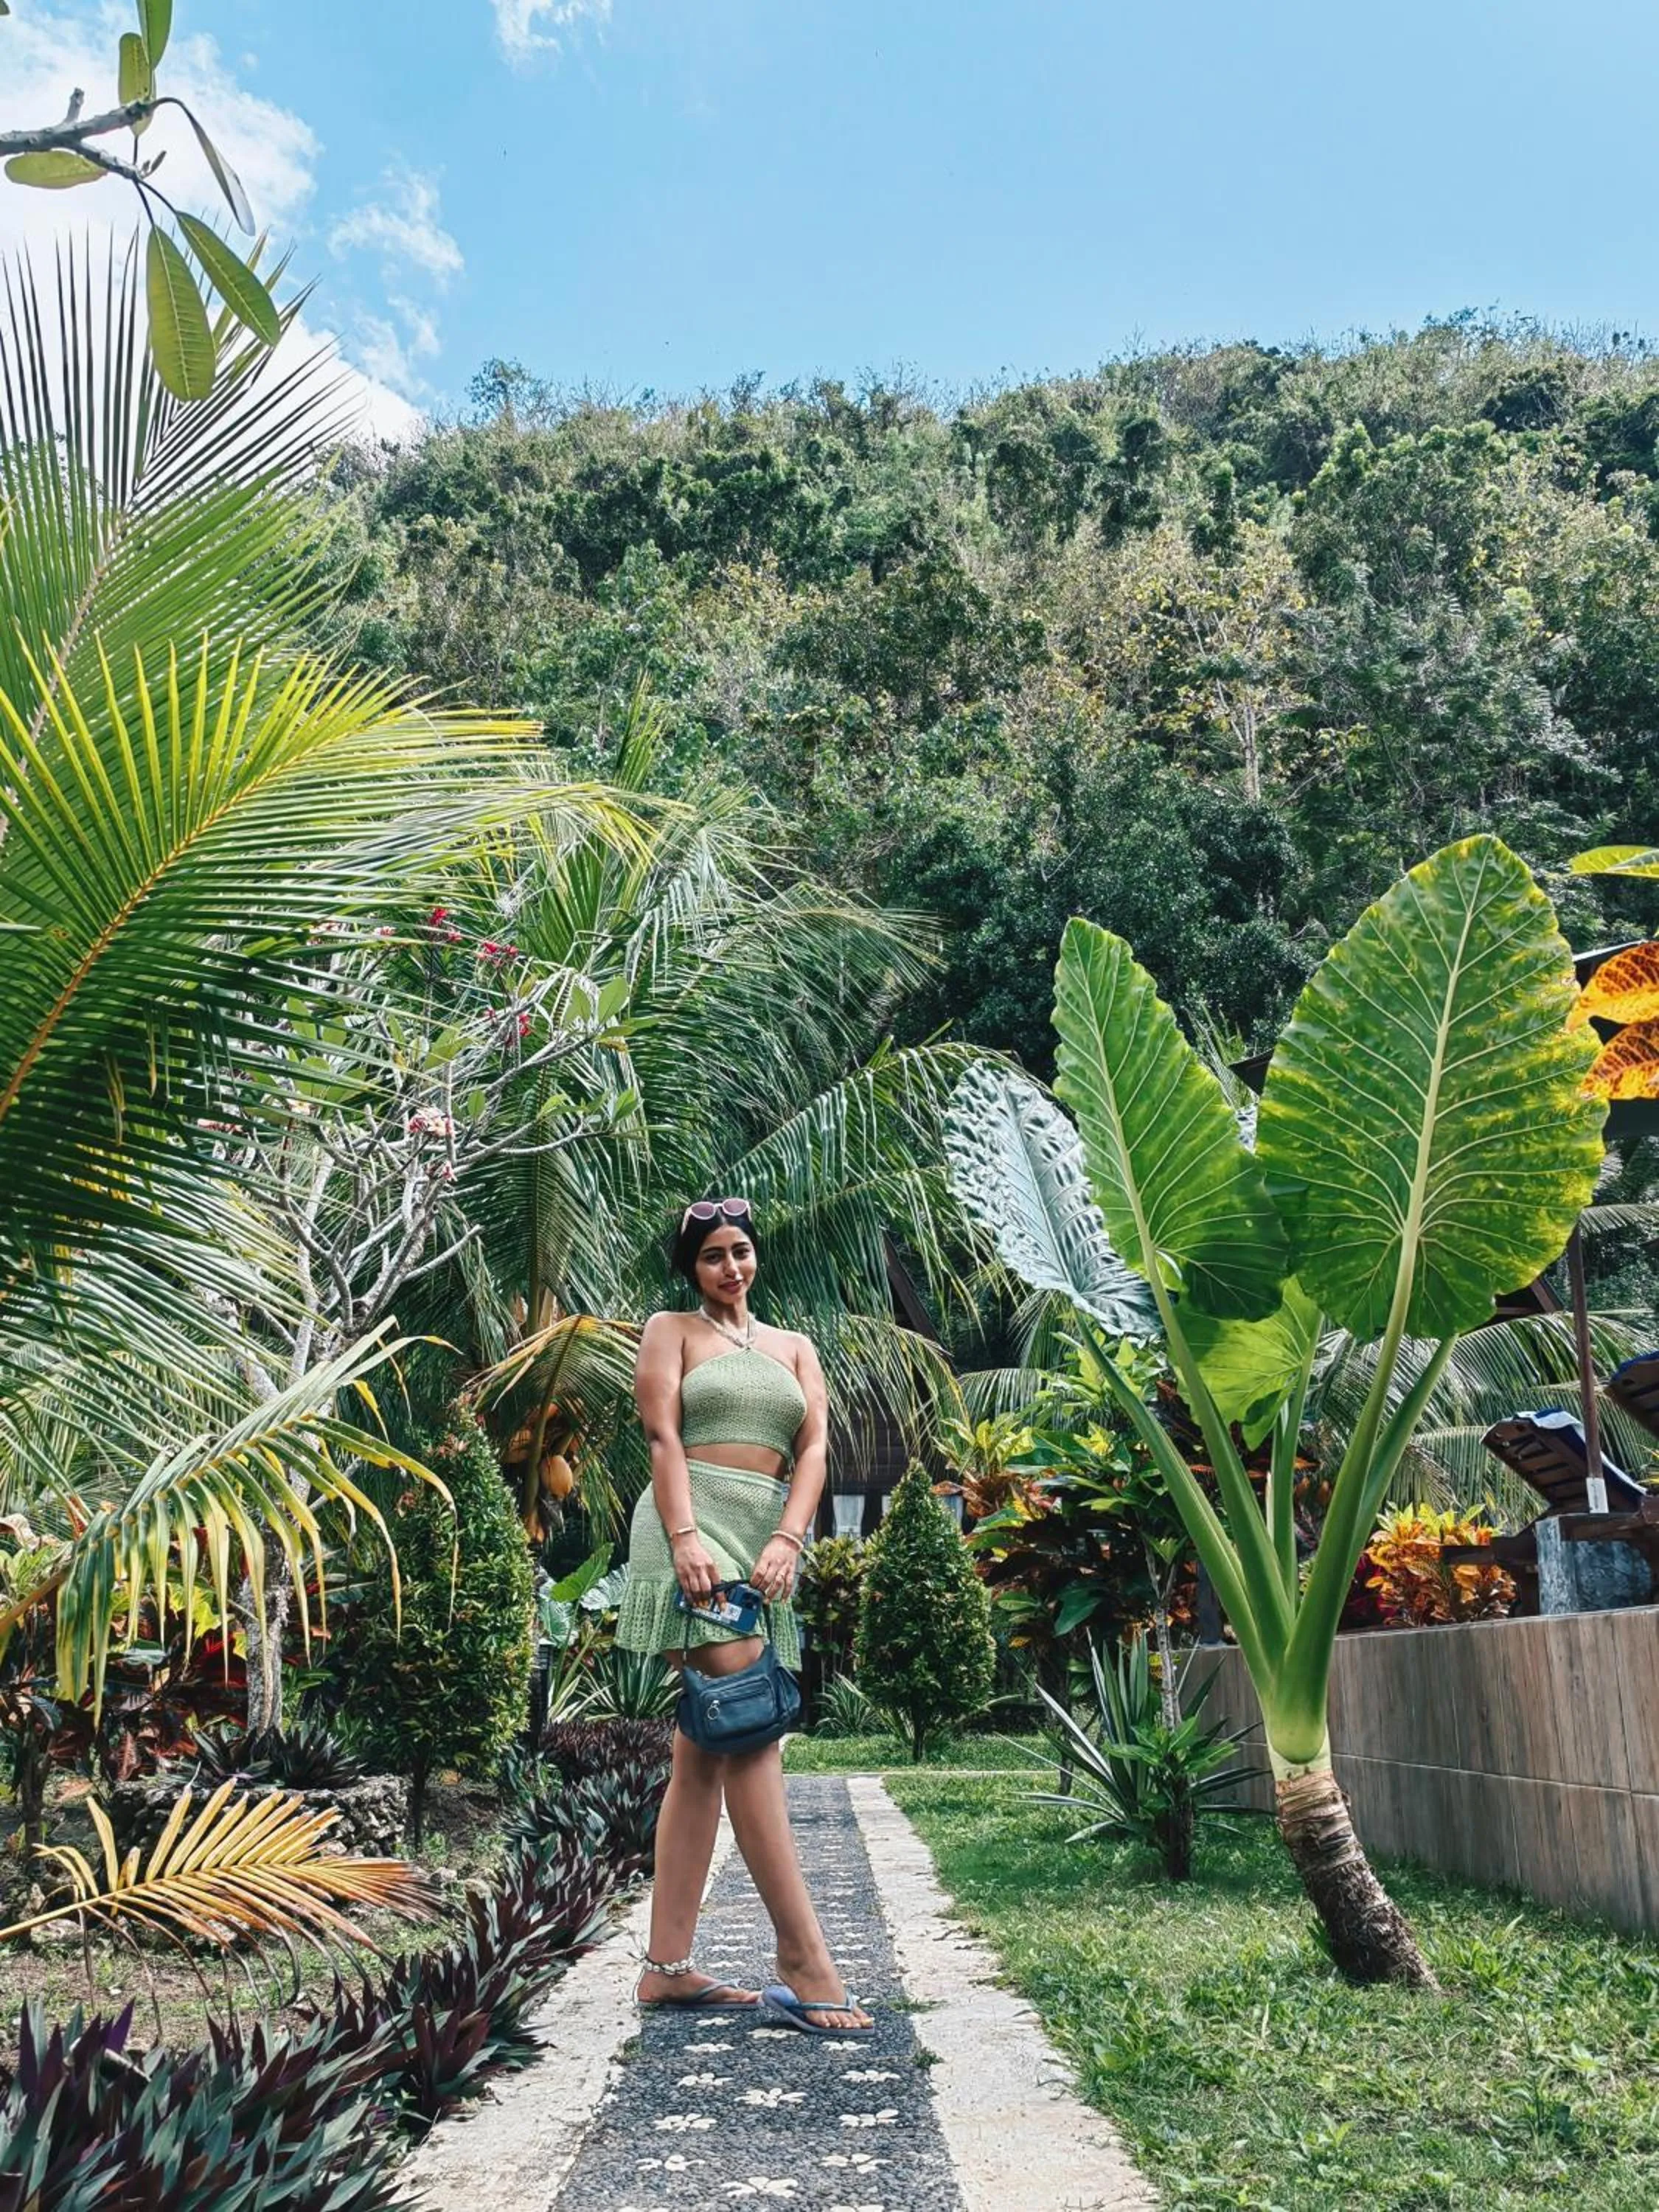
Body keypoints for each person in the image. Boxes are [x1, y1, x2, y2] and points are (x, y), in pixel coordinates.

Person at [615, 1195, 872, 2034]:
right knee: (752, 1727)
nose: (732, 1266)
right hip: (690, 1526)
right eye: (715, 1255)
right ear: (693, 1268)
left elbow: (814, 1450)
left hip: (764, 1537)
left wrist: (792, 1539)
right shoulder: (671, 1330)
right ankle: (802, 1954)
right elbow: (661, 1440)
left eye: (742, 1251)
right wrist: (687, 1537)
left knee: (705, 1751)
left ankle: (667, 1969)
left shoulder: (795, 1347)